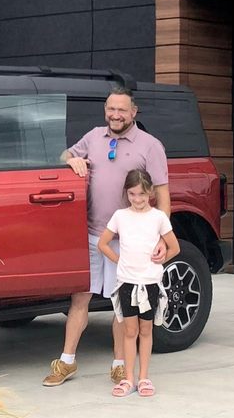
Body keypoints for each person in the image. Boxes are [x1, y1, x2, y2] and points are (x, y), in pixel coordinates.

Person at [42, 86, 170, 388]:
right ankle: (67, 361)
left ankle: (119, 366)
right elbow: (64, 154)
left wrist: (162, 238)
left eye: (122, 110)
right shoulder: (93, 137)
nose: (115, 115)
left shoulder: (150, 145)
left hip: (128, 241)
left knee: (121, 305)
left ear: (133, 112)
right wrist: (71, 159)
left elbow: (164, 197)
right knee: (79, 299)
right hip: (91, 234)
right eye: (111, 109)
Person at [98, 169, 180, 397]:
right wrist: (119, 260)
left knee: (146, 330)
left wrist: (160, 259)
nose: (137, 199)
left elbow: (175, 248)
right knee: (129, 331)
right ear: (127, 193)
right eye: (132, 194)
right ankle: (128, 379)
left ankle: (144, 377)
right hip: (127, 283)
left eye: (142, 194)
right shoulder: (120, 216)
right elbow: (103, 244)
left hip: (150, 283)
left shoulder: (158, 218)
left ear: (151, 192)